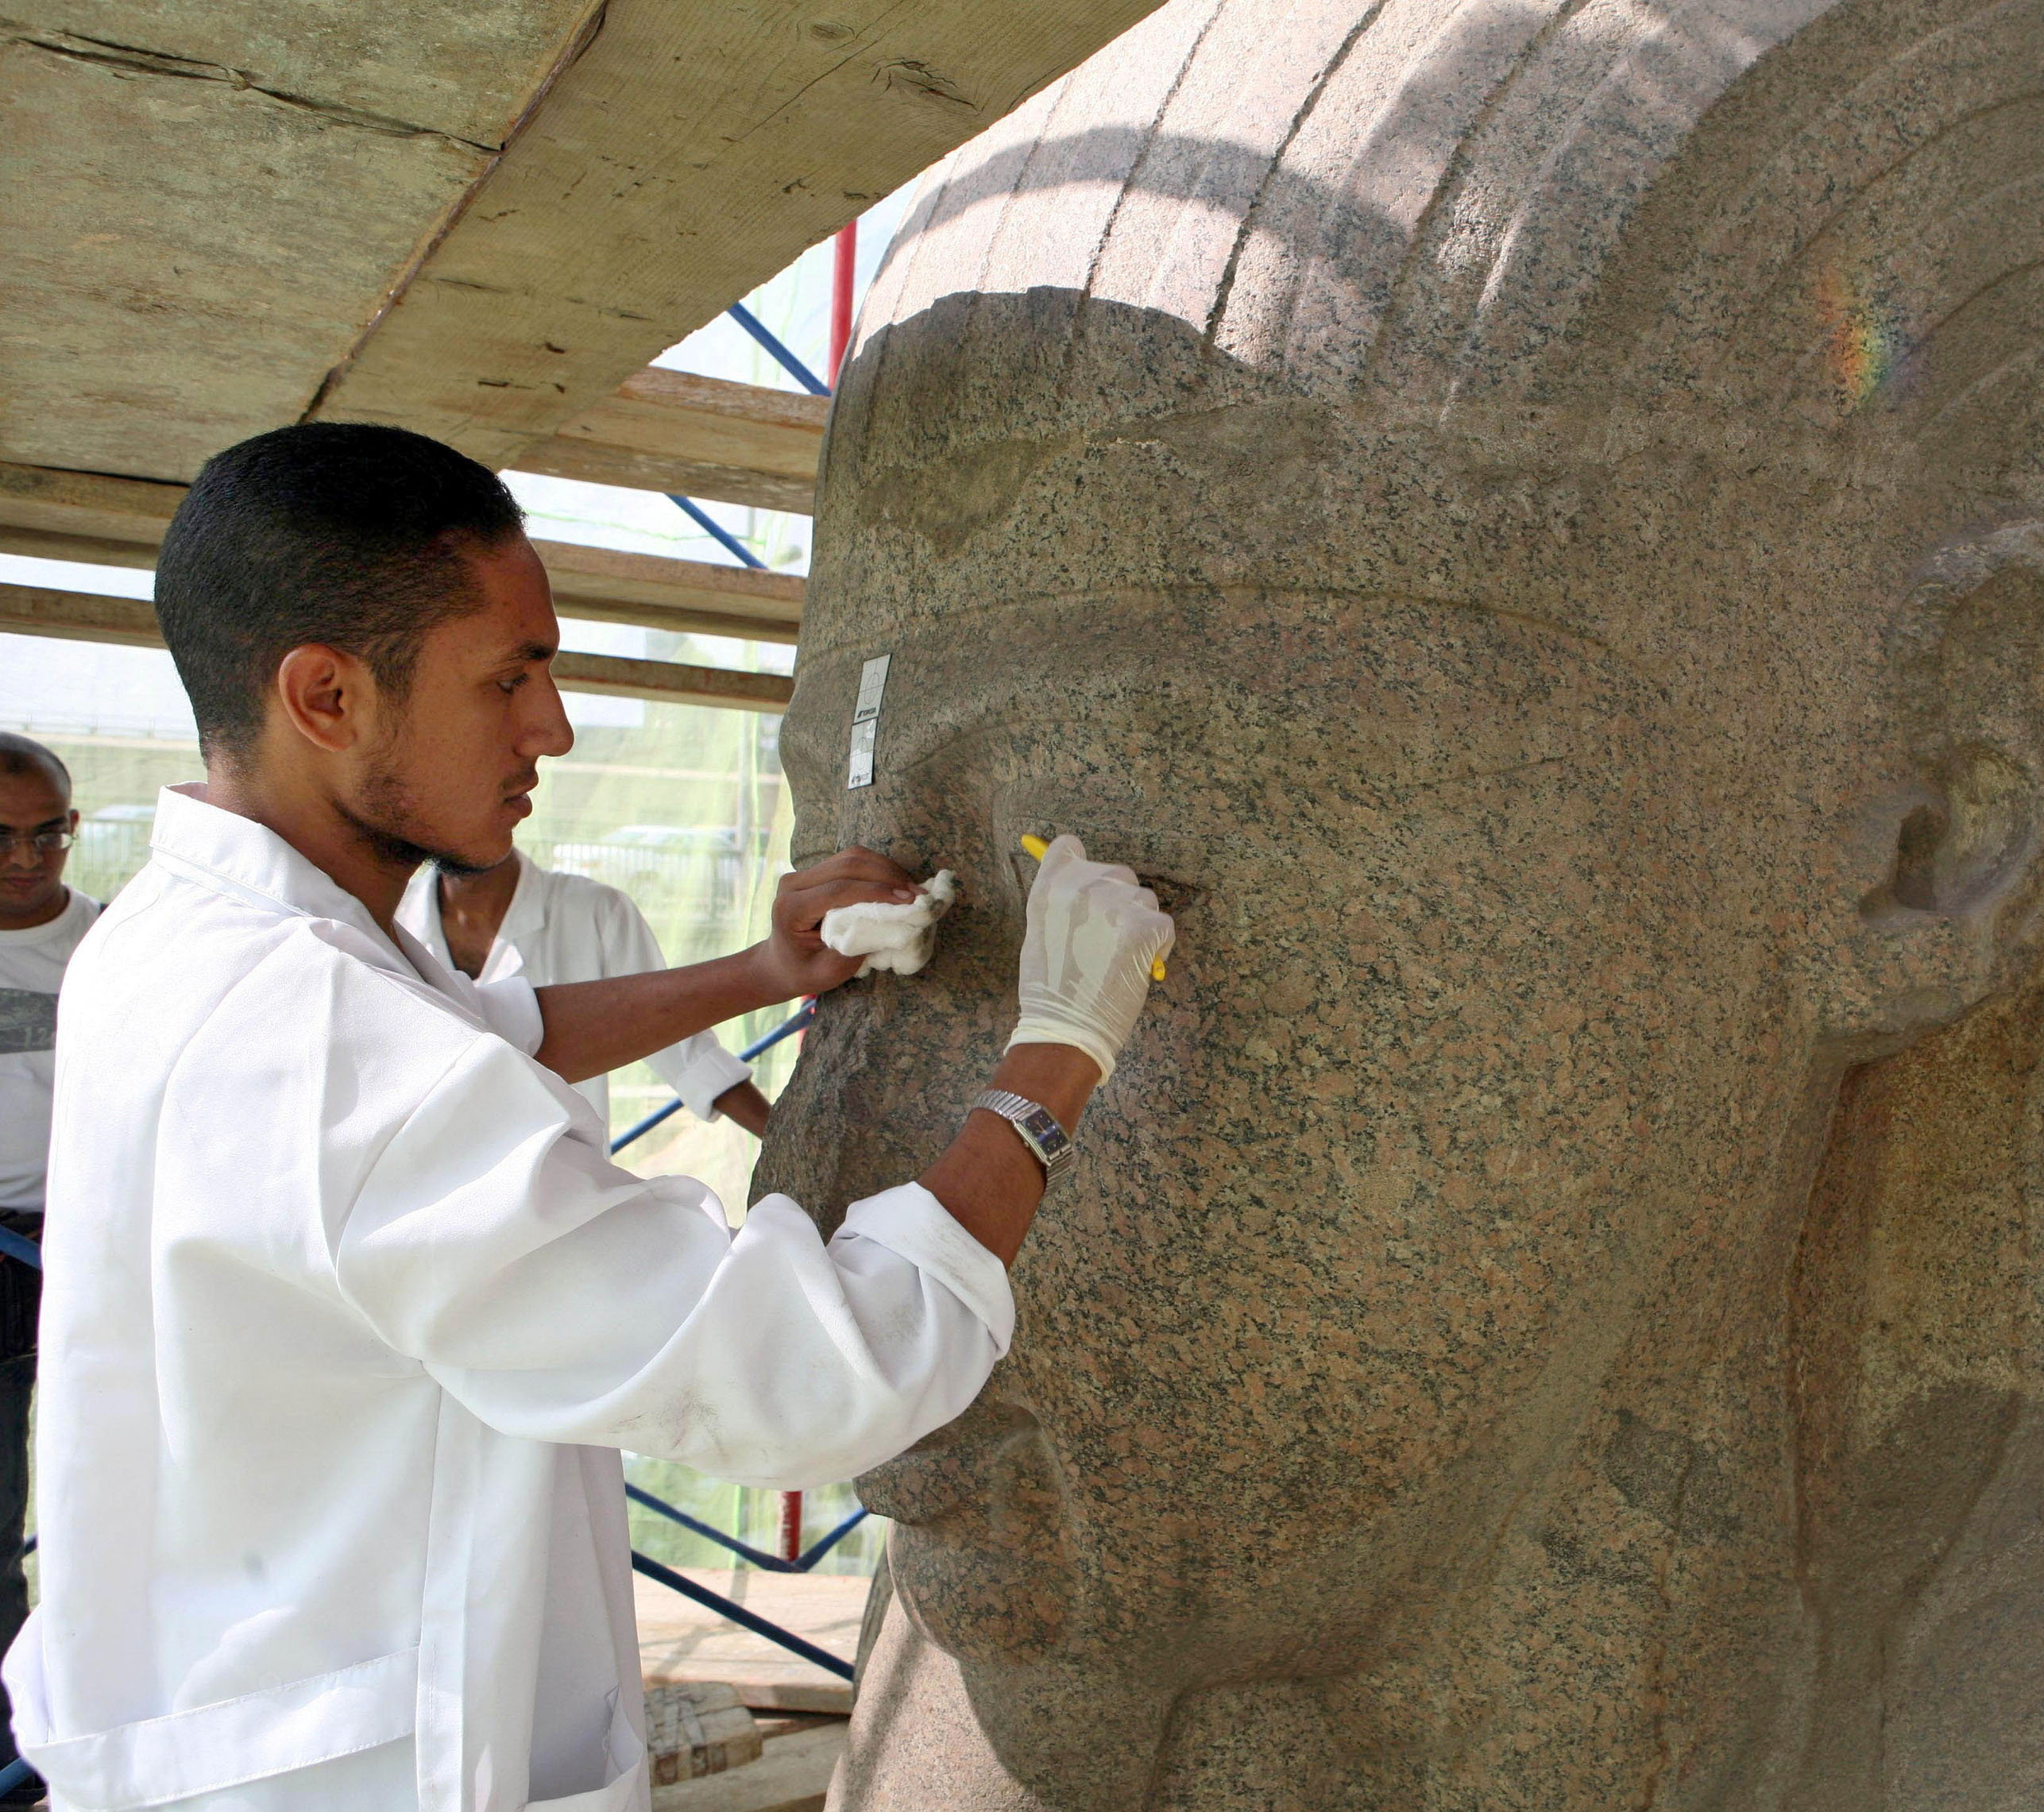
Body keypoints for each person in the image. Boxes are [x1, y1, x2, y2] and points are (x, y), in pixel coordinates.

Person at [3, 422, 1173, 1812]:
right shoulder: (330, 1043)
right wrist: (1058, 1053)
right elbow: (807, 1371)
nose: (550, 728)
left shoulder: (180, 937)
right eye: (510, 678)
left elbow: (484, 1032)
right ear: (326, 695)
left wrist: (769, 969)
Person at [400, 852, 771, 1136]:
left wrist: (787, 1139)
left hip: (560, 1210)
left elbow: (683, 1051)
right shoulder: (388, 925)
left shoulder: (596, 914)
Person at [0, 734, 94, 1800]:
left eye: (48, 833)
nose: (27, 858)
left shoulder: (115, 948)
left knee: (100, 1503)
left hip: (85, 1248)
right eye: (1, 836)